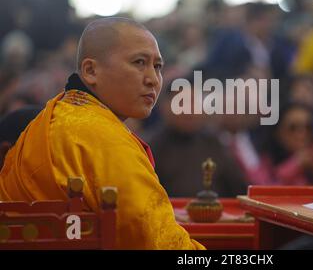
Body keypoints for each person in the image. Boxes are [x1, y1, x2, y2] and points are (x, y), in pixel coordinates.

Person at [0, 17, 205, 250]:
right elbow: (158, 242)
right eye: (139, 62)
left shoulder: (54, 117)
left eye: (157, 66)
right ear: (90, 71)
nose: (152, 80)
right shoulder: (101, 137)